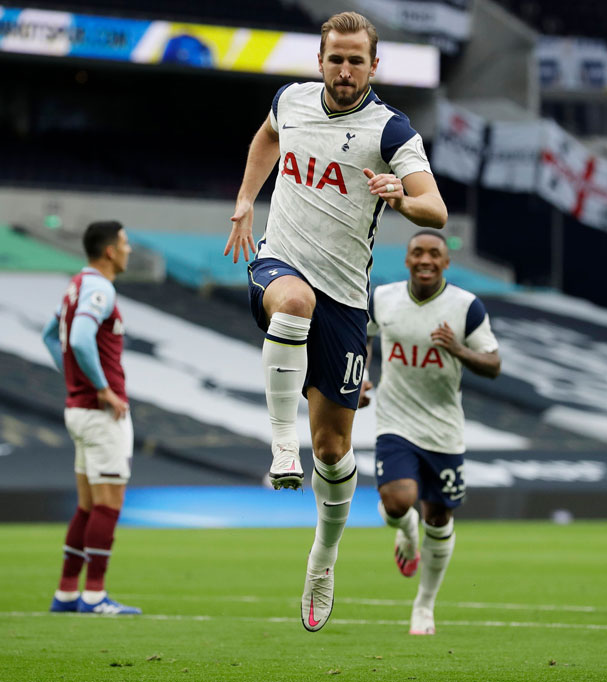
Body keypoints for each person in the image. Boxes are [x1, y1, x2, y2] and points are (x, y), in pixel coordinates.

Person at [223, 11, 447, 632]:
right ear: (319, 60)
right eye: (335, 58)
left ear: (374, 66)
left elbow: (437, 208)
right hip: (281, 264)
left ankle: (323, 556)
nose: (344, 70)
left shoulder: (390, 130)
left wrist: (400, 196)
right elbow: (266, 137)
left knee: (335, 448)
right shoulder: (291, 100)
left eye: (356, 60)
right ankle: (277, 446)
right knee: (293, 305)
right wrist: (246, 198)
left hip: (348, 299)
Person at [366, 230, 501, 635]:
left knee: (439, 518)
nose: (425, 259)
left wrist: (458, 350)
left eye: (434, 254)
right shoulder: (383, 297)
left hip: (443, 428)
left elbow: (493, 364)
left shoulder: (465, 308)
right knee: (397, 501)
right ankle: (407, 535)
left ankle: (424, 606)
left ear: (446, 263)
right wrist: (360, 380)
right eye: (418, 252)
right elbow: (363, 336)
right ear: (406, 259)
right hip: (395, 419)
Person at [41, 220, 140, 615]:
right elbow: (79, 338)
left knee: (86, 505)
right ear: (110, 251)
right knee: (108, 503)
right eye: (126, 241)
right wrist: (101, 388)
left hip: (77, 409)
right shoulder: (100, 287)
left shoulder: (76, 285)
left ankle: (66, 593)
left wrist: (74, 380)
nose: (129, 249)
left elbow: (51, 335)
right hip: (99, 413)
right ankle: (95, 596)